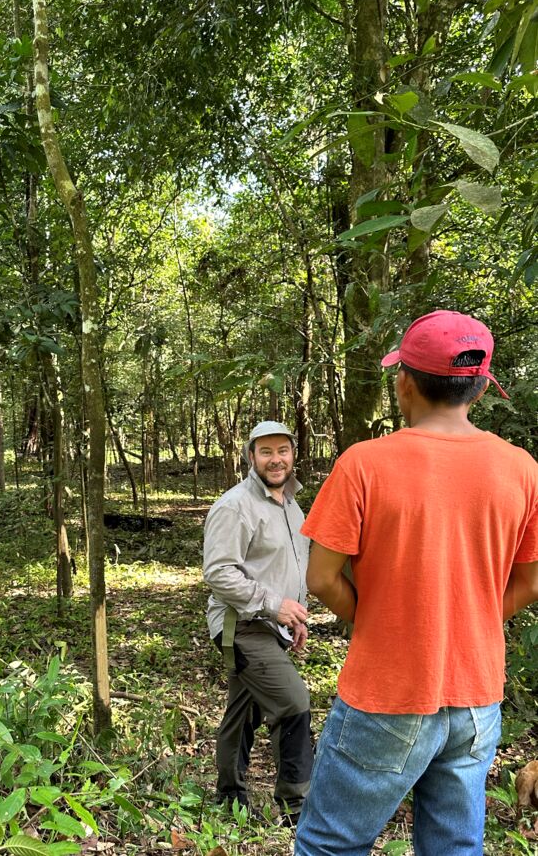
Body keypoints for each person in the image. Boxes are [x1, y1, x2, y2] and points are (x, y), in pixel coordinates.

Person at [293, 310, 538, 856]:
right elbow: (531, 578)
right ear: (479, 387)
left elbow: (321, 577)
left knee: (330, 845)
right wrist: (470, 619)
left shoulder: (363, 465)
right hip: (477, 699)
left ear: (404, 381)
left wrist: (378, 619)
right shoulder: (522, 469)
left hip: (389, 691)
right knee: (453, 847)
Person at [203, 420, 315, 824]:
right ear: (251, 456)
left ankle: (229, 794)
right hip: (242, 625)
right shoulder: (235, 506)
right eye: (265, 452)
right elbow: (219, 572)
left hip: (272, 625)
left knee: (243, 710)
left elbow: (288, 567)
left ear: (292, 453)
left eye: (282, 450)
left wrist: (295, 616)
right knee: (294, 703)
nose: (275, 459)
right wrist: (274, 606)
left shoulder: (291, 504)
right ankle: (296, 806)